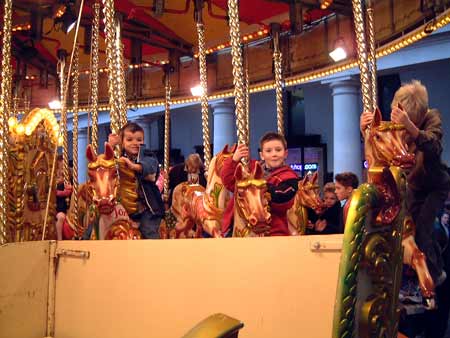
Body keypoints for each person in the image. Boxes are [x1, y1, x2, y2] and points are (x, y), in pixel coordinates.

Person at [360, 80, 450, 286]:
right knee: (402, 229)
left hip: (434, 186)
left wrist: (410, 126)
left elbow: (434, 146)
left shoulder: (432, 118)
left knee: (423, 231)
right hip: (411, 184)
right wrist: (365, 129)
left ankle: (435, 276)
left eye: (409, 122)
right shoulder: (396, 124)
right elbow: (380, 143)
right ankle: (404, 278)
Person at [220, 132, 299, 236]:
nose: (274, 154)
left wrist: (260, 188)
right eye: (268, 151)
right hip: (242, 225)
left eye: (278, 150)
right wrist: (234, 160)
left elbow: (283, 196)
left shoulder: (289, 177)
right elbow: (229, 181)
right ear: (262, 155)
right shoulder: (250, 169)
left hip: (271, 228)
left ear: (285, 154)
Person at [109, 122, 164, 239]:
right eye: (129, 140)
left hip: (147, 208)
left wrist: (134, 167)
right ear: (122, 143)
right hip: (125, 208)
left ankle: (156, 252)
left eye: (139, 140)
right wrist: (111, 146)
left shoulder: (148, 155)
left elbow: (150, 166)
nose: (135, 143)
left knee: (148, 230)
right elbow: (107, 165)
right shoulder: (120, 161)